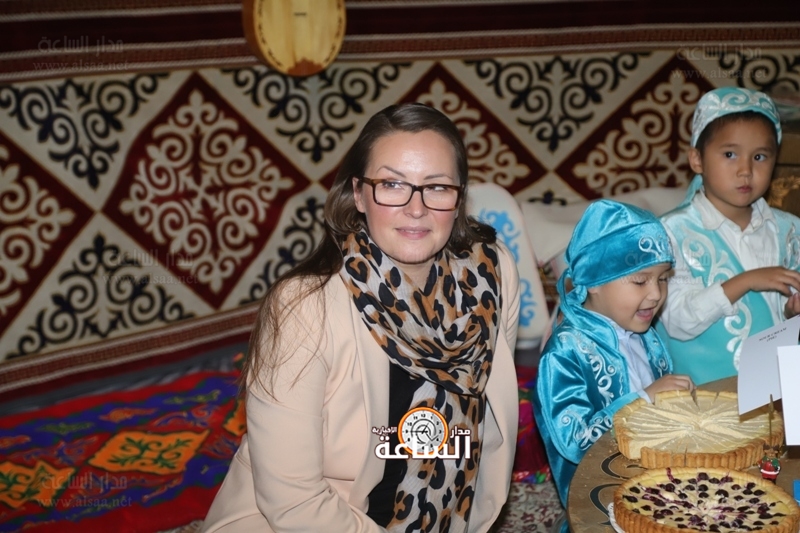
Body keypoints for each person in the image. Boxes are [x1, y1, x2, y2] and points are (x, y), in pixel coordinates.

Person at [201, 103, 521, 533]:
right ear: (358, 193)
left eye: (437, 187)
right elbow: (294, 501)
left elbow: (482, 432)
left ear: (459, 197)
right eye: (392, 184)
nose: (416, 208)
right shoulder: (304, 306)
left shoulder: (493, 274)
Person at [532, 200, 695, 517]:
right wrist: (644, 400)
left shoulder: (647, 335)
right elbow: (575, 443)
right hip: (600, 505)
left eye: (662, 278)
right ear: (593, 281)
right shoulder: (565, 352)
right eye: (640, 281)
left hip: (656, 488)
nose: (656, 294)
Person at [656, 87, 800, 385]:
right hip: (705, 399)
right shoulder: (671, 233)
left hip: (780, 391)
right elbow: (678, 321)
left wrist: (792, 312)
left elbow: (782, 316)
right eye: (730, 154)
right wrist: (746, 281)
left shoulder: (790, 231)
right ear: (697, 160)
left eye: (759, 156)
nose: (745, 170)